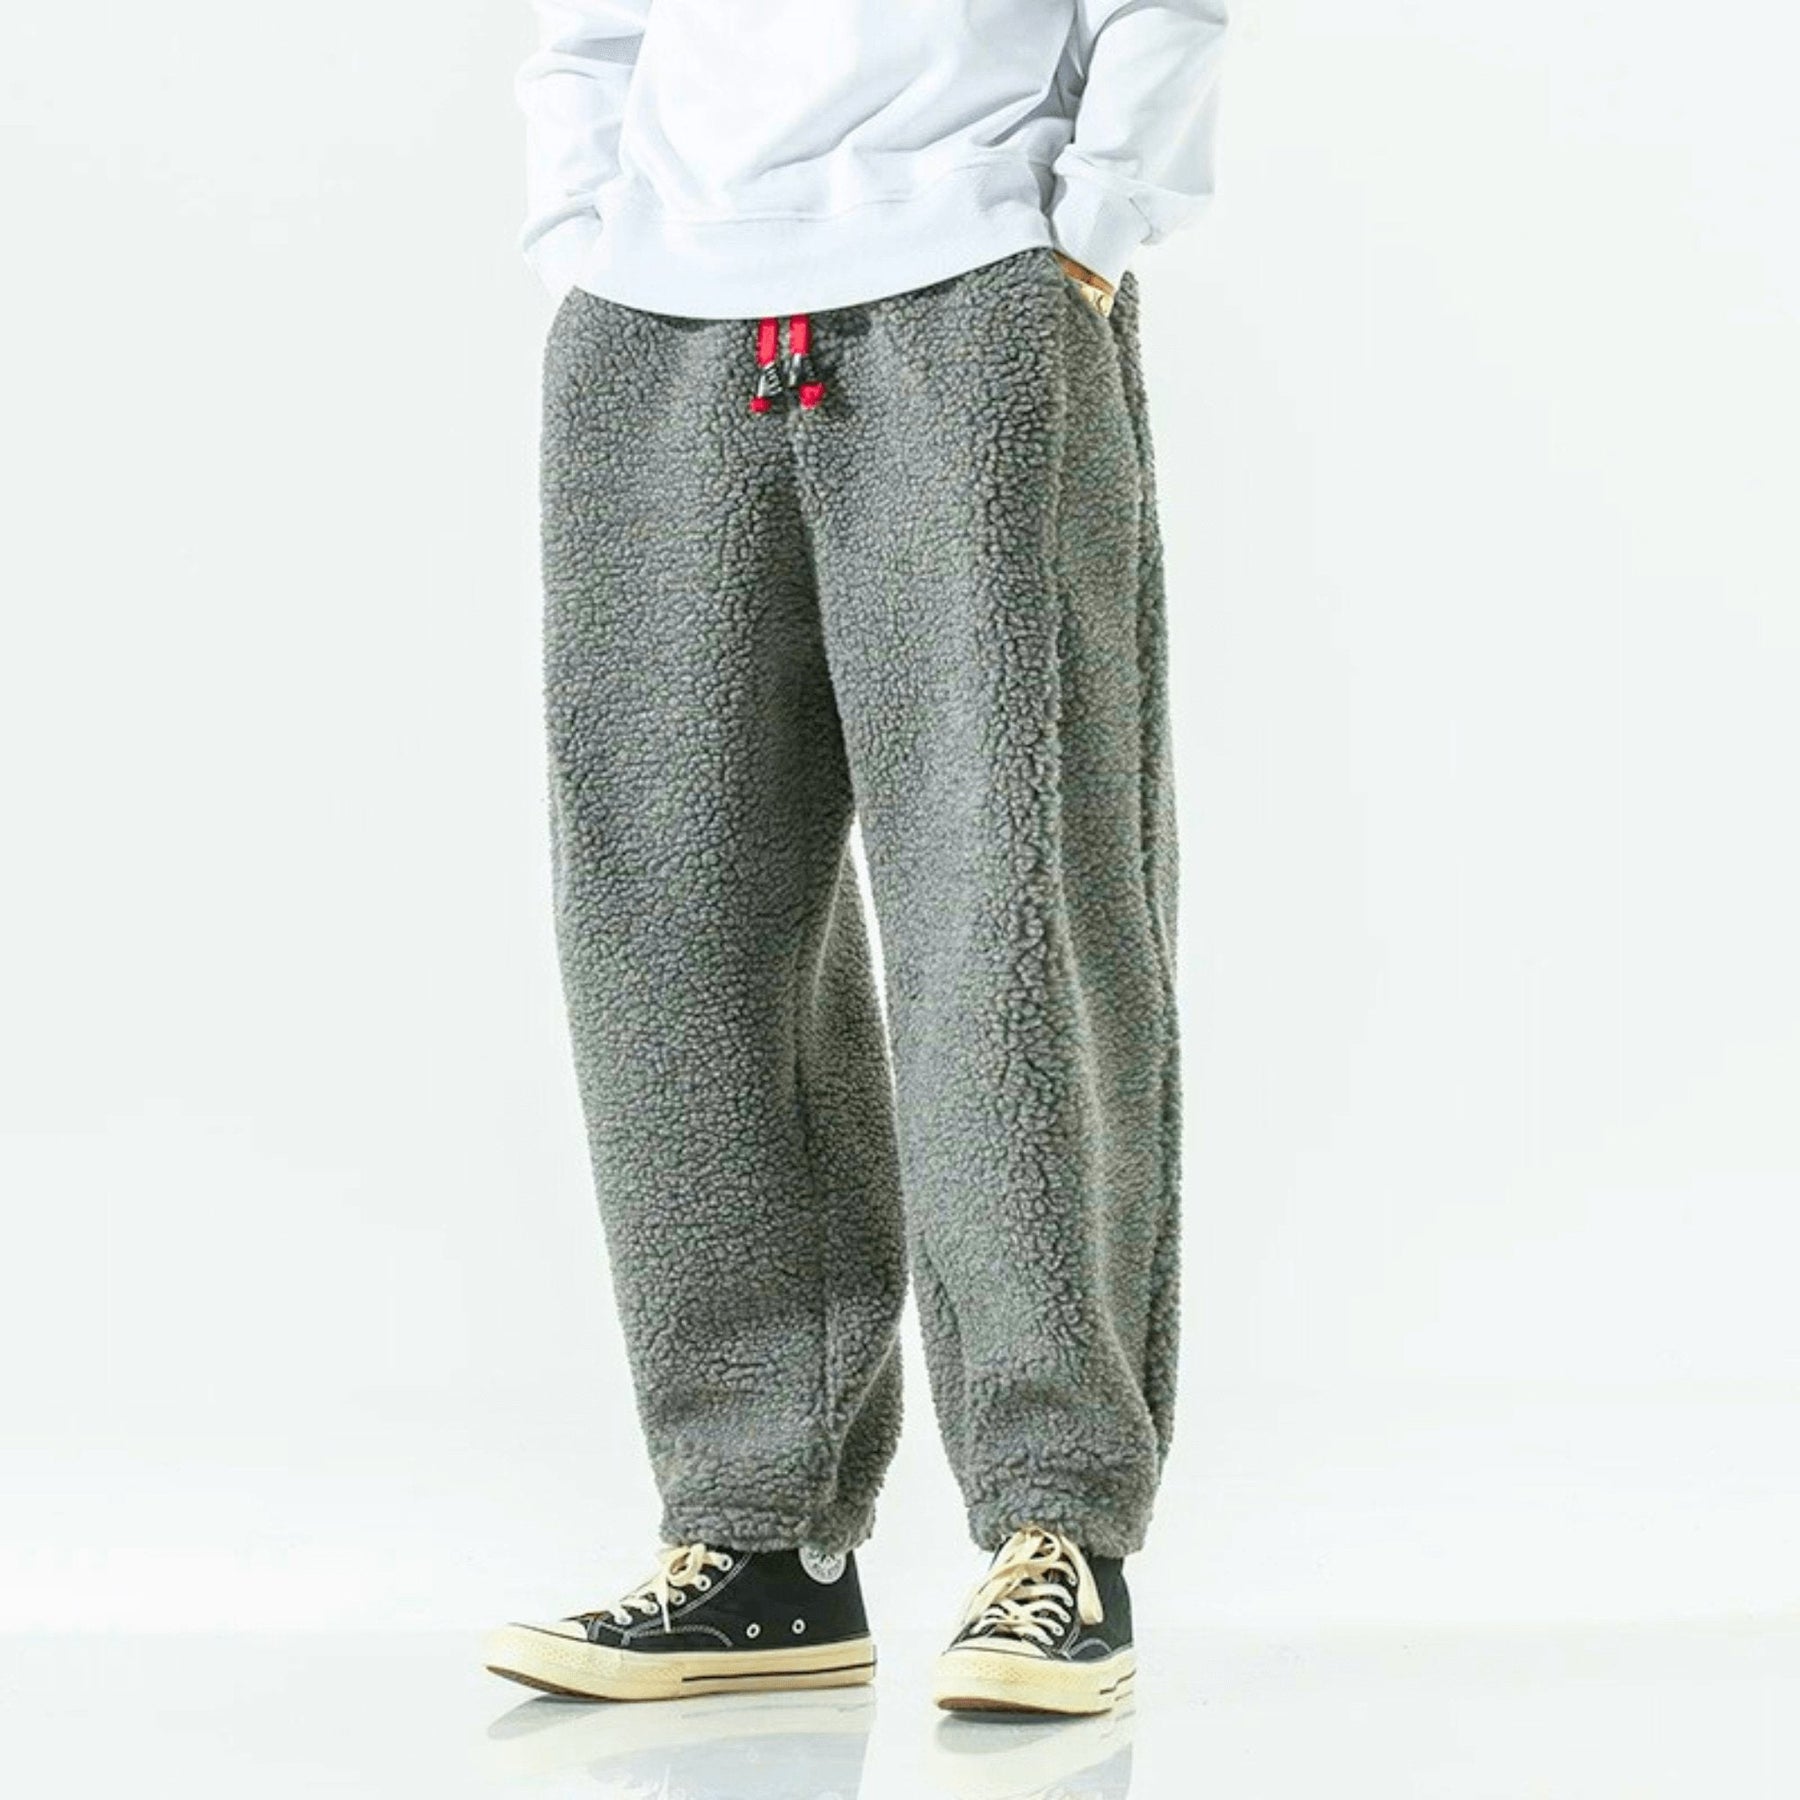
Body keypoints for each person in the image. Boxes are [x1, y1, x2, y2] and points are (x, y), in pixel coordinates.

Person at [484, 0, 1227, 1718]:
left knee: (1013, 912)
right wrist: (586, 233)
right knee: (672, 937)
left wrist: (1091, 231)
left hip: (972, 294)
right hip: (657, 319)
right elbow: (590, 32)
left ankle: (1059, 1528)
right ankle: (759, 1544)